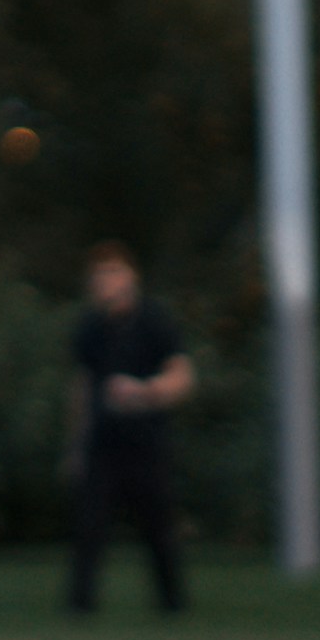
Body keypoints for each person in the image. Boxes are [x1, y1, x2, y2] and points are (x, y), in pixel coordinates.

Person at [64, 245, 193, 615]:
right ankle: (79, 607)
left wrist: (146, 391)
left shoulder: (154, 321)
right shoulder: (91, 328)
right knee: (89, 527)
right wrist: (75, 445)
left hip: (146, 444)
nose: (104, 282)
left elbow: (182, 377)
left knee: (159, 527)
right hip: (103, 444)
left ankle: (172, 604)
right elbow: (82, 386)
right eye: (98, 275)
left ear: (130, 276)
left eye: (112, 272)